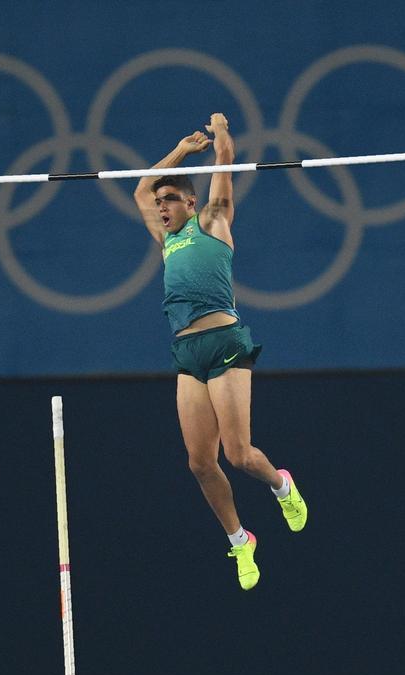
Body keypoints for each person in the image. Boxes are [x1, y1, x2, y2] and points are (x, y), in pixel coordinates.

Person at [133, 112, 307, 590]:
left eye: (170, 200)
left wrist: (221, 135)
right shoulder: (165, 240)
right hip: (187, 352)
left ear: (191, 201)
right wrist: (181, 150)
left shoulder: (212, 221)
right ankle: (239, 541)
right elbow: (140, 189)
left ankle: (282, 486)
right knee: (198, 462)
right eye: (160, 202)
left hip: (226, 343)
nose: (161, 207)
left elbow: (226, 160)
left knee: (239, 455)